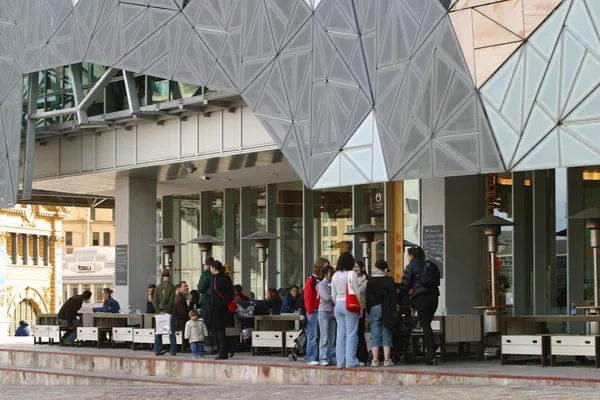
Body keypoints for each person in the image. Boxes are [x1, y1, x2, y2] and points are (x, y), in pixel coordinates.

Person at [398, 246, 440, 365]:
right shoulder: (432, 265)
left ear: (411, 256)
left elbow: (405, 285)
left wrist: (399, 299)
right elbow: (437, 282)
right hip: (434, 297)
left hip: (421, 298)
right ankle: (432, 347)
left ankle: (431, 356)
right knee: (427, 324)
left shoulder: (411, 266)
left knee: (425, 325)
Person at [331, 252, 364, 369]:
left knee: (340, 334)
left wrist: (338, 303)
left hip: (338, 305)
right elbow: (356, 292)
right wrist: (360, 307)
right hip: (349, 305)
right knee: (351, 334)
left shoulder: (335, 275)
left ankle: (340, 362)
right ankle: (351, 361)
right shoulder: (352, 274)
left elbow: (333, 295)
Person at [366, 260, 396, 367]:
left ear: (376, 267)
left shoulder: (370, 280)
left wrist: (368, 310)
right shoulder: (389, 280)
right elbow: (393, 297)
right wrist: (393, 310)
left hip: (374, 307)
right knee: (386, 331)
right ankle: (387, 359)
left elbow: (367, 297)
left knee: (375, 333)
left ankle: (375, 359)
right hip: (386, 308)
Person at [205, 260, 235, 360]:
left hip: (219, 309)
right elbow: (230, 293)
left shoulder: (216, 279)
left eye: (211, 268)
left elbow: (216, 295)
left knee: (219, 331)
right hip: (222, 308)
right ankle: (227, 349)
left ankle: (223, 352)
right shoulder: (225, 277)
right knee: (220, 331)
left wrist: (220, 304)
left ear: (214, 268)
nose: (210, 269)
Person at [304, 258, 328, 366]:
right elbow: (308, 297)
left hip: (323, 309)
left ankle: (321, 356)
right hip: (314, 310)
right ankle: (311, 357)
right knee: (313, 334)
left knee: (323, 334)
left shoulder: (325, 280)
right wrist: (310, 311)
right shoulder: (311, 280)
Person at [153, 269, 177, 356]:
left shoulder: (158, 287)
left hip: (159, 313)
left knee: (158, 332)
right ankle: (173, 350)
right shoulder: (172, 286)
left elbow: (154, 301)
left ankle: (157, 350)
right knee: (171, 332)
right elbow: (171, 301)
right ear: (170, 276)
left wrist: (159, 311)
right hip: (169, 313)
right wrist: (167, 311)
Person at [317, 264, 336, 366]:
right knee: (324, 336)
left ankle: (332, 357)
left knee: (332, 337)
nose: (332, 274)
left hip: (333, 313)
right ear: (325, 274)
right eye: (330, 272)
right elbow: (326, 297)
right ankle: (323, 357)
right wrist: (335, 296)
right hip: (324, 311)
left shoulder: (333, 283)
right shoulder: (321, 284)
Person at [197, 257, 215, 352]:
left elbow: (200, 288)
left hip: (206, 302)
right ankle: (216, 346)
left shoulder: (205, 274)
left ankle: (208, 347)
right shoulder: (216, 274)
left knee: (206, 326)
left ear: (206, 265)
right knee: (214, 326)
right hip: (214, 303)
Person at [354, 260, 369, 365]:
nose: (355, 269)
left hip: (361, 308)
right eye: (354, 267)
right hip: (352, 308)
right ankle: (354, 355)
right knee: (353, 333)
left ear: (363, 268)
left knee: (360, 333)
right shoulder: (351, 278)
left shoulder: (366, 280)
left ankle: (362, 357)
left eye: (357, 267)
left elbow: (360, 292)